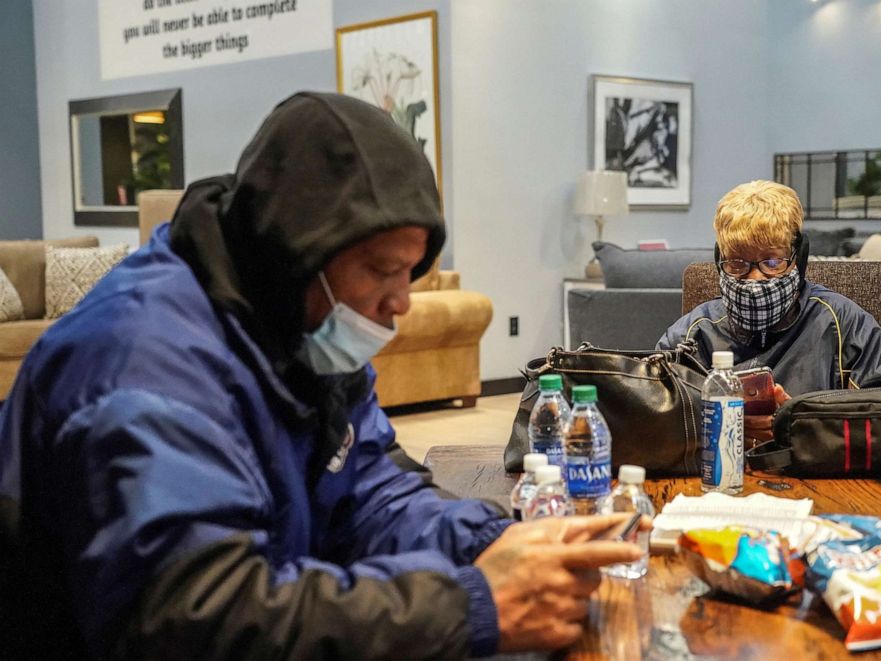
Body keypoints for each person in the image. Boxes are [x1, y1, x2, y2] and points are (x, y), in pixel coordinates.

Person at [0, 92, 646, 660]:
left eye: (410, 272)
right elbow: (190, 618)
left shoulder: (299, 324)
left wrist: (501, 540)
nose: (400, 302)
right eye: (381, 270)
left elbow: (372, 492)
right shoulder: (142, 366)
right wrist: (469, 604)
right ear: (298, 252)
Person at [656, 180, 881, 442]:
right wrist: (719, 424)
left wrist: (803, 423)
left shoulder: (839, 322)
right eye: (737, 263)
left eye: (772, 261)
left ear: (798, 259)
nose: (754, 279)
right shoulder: (693, 332)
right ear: (720, 261)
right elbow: (649, 419)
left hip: (819, 482)